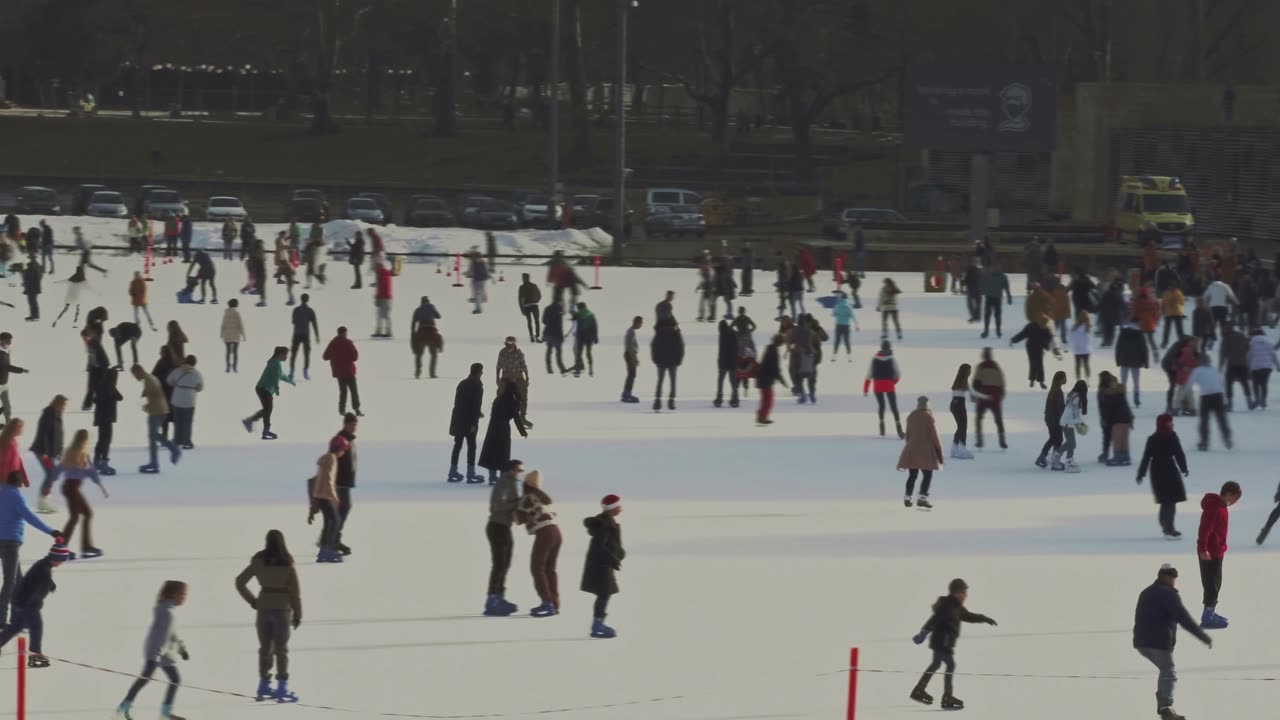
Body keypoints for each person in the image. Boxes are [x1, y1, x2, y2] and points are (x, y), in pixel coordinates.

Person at [1133, 564, 1212, 720]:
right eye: (1173, 578)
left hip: (1141, 642)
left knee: (1165, 671)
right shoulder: (1169, 595)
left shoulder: (1146, 592)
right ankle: (1166, 708)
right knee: (1169, 671)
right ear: (1167, 578)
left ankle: (1163, 702)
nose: (1174, 582)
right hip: (1158, 641)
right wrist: (1203, 636)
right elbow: (1184, 619)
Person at [235, 530, 303, 702]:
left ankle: (263, 685)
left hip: (263, 608)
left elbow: (240, 582)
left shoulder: (259, 562)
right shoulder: (287, 563)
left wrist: (253, 601)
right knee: (281, 649)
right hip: (282, 609)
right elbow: (295, 593)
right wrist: (298, 614)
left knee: (265, 647)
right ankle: (282, 688)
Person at [909, 578, 996, 710]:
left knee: (937, 664)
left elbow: (968, 616)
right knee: (949, 665)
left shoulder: (957, 607)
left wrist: (984, 618)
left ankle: (920, 690)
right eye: (964, 592)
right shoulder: (948, 605)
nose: (966, 595)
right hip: (942, 642)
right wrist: (924, 633)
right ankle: (946, 697)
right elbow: (935, 619)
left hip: (944, 643)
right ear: (956, 592)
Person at [113, 580, 189, 719]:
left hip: (163, 653)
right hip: (156, 653)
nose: (185, 598)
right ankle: (123, 709)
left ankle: (165, 713)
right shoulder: (166, 613)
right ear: (174, 594)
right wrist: (153, 658)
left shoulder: (168, 611)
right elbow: (158, 637)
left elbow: (172, 634)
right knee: (144, 680)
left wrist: (181, 649)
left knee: (174, 679)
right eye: (183, 594)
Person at [0, 539, 71, 668]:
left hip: (20, 601)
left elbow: (36, 579)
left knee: (16, 626)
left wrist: (50, 584)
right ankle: (35, 655)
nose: (62, 563)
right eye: (61, 560)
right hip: (27, 604)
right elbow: (32, 587)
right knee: (36, 627)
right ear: (55, 557)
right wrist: (32, 605)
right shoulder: (43, 569)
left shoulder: (44, 564)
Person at [49, 429, 107, 559]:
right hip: (70, 487)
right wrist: (50, 481)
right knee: (75, 517)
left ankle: (86, 546)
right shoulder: (72, 452)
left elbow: (91, 471)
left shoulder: (84, 453)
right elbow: (61, 467)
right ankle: (61, 549)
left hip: (74, 488)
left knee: (87, 514)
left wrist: (100, 485)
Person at [1135, 414, 1189, 537]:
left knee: (1171, 501)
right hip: (1159, 472)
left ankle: (1168, 526)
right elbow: (1146, 457)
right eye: (1169, 422)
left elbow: (1179, 454)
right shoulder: (1153, 439)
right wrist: (1141, 474)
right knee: (1167, 501)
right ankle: (1167, 527)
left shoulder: (1172, 437)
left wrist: (1183, 468)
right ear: (1163, 423)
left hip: (1170, 470)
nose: (1172, 424)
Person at [1197, 481, 1241, 630]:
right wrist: (1203, 549)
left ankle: (1210, 612)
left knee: (1215, 582)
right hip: (1210, 552)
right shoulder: (1215, 507)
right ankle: (1207, 616)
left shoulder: (1220, 507)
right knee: (1211, 583)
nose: (1235, 502)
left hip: (1216, 550)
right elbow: (1204, 529)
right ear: (1228, 494)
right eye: (1235, 498)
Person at [517, 470, 560, 617]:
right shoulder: (542, 497)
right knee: (550, 568)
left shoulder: (527, 497)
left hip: (544, 532)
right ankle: (554, 602)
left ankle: (547, 602)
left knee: (537, 567)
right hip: (556, 531)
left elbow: (518, 519)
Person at [581, 494, 625, 639]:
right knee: (604, 594)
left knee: (604, 594)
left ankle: (598, 624)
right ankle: (597, 626)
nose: (621, 508)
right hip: (600, 565)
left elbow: (611, 544)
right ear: (612, 508)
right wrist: (612, 559)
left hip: (602, 564)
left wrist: (619, 552)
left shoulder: (609, 522)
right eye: (618, 506)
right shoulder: (605, 524)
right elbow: (600, 546)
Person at [484, 459, 523, 616]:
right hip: (497, 526)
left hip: (504, 526)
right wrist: (515, 505)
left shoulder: (512, 483)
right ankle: (492, 600)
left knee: (505, 563)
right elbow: (496, 506)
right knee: (499, 564)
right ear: (510, 470)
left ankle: (499, 596)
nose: (519, 473)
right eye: (518, 469)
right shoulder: (503, 484)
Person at [133, 365, 182, 474]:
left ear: (139, 371)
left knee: (152, 436)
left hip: (157, 411)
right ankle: (159, 458)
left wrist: (148, 406)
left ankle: (158, 460)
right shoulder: (150, 378)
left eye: (135, 374)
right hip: (160, 409)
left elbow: (155, 395)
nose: (135, 377)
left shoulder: (149, 380)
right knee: (153, 435)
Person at [898, 396, 944, 509]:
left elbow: (908, 435)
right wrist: (940, 454)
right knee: (927, 475)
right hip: (926, 452)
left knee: (912, 475)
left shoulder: (911, 416)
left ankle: (907, 497)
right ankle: (922, 498)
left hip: (912, 450)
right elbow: (934, 437)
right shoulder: (928, 417)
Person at [242, 346, 295, 440]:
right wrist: (277, 388)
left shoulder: (275, 363)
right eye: (286, 355)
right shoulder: (276, 363)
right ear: (280, 354)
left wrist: (290, 381)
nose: (287, 357)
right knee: (268, 409)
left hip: (263, 388)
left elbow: (280, 375)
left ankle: (262, 429)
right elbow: (275, 378)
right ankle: (252, 423)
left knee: (267, 409)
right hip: (264, 389)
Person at [479, 383, 527, 484]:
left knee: (492, 452)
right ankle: (502, 477)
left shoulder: (498, 399)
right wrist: (523, 432)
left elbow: (493, 414)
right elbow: (516, 419)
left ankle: (492, 477)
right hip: (503, 429)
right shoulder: (513, 402)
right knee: (503, 453)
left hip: (492, 428)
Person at [449, 363, 486, 483]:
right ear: (479, 372)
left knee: (457, 446)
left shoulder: (462, 384)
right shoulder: (477, 386)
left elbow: (458, 404)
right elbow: (475, 406)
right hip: (469, 422)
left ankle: (452, 472)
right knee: (472, 447)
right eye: (481, 371)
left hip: (459, 420)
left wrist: (454, 421)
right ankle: (471, 474)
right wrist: (474, 424)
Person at [328, 414, 359, 556]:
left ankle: (332, 539)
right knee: (339, 511)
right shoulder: (340, 439)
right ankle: (330, 541)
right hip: (338, 482)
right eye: (351, 424)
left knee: (342, 510)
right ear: (345, 424)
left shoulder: (350, 440)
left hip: (345, 482)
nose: (354, 427)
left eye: (355, 425)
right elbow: (332, 459)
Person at [31, 395, 66, 514]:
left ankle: (45, 498)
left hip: (51, 452)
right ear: (57, 404)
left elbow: (59, 434)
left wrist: (59, 452)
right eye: (63, 405)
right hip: (42, 451)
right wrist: (45, 452)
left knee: (52, 474)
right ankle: (43, 500)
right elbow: (43, 433)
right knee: (51, 473)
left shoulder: (57, 415)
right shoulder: (48, 414)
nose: (64, 408)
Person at [863, 340, 903, 438]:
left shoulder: (874, 359)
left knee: (881, 406)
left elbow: (869, 374)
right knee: (894, 407)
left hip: (877, 386)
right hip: (889, 385)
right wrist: (893, 382)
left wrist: (866, 388)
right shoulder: (892, 359)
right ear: (889, 348)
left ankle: (882, 427)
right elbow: (898, 374)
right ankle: (899, 429)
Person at [1188, 357, 1230, 450]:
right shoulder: (1215, 370)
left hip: (1206, 396)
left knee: (1204, 420)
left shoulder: (1197, 370)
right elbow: (1222, 382)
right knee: (1221, 418)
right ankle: (1227, 438)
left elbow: (1190, 384)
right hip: (1218, 395)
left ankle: (1204, 442)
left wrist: (1186, 396)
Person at [310, 450, 343, 563]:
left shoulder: (325, 458)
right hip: (325, 494)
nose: (343, 453)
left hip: (320, 494)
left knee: (329, 522)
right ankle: (327, 551)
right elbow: (329, 479)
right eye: (343, 450)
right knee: (335, 521)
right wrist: (335, 497)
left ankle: (323, 552)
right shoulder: (332, 458)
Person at [971, 348, 1007, 450]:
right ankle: (1002, 441)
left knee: (979, 418)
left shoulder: (980, 367)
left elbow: (976, 382)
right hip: (995, 396)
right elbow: (1002, 381)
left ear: (983, 355)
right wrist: (1001, 394)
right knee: (998, 419)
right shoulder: (996, 366)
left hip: (984, 395)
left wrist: (974, 395)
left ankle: (979, 441)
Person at [322, 327, 362, 417]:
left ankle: (341, 410)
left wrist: (335, 355)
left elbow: (325, 356)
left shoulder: (333, 343)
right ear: (344, 333)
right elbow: (355, 357)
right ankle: (357, 409)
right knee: (354, 391)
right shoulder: (348, 343)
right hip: (349, 371)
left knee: (343, 392)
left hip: (339, 372)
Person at [1097, 371, 1135, 466]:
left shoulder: (1108, 394)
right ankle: (1125, 456)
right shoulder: (1120, 392)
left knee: (1117, 439)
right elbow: (1126, 406)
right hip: (1125, 418)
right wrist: (1130, 418)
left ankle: (1117, 457)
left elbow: (1108, 409)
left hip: (1117, 420)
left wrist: (1105, 419)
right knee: (1124, 439)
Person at [166, 356, 203, 450]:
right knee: (187, 422)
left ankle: (177, 440)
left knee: (177, 422)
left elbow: (169, 381)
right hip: (190, 400)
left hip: (177, 398)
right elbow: (200, 387)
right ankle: (186, 441)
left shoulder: (177, 371)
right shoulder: (197, 373)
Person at [1034, 372, 1067, 470]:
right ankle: (1053, 461)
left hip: (1050, 418)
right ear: (1060, 379)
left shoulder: (1054, 390)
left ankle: (1044, 458)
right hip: (1055, 419)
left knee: (1054, 438)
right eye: (1065, 378)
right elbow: (1059, 408)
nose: (1066, 380)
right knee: (1057, 439)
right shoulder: (1058, 391)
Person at [496, 337, 533, 427]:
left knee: (523, 397)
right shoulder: (502, 353)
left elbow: (524, 365)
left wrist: (527, 377)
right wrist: (497, 378)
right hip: (506, 377)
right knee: (501, 396)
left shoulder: (519, 353)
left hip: (518, 377)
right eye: (507, 344)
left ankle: (522, 417)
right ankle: (500, 417)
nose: (508, 346)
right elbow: (499, 366)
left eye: (510, 345)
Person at [1010, 315, 1055, 388]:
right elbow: (1022, 334)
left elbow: (1049, 338)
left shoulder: (1044, 327)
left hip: (1038, 347)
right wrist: (1013, 340)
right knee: (1034, 362)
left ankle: (1038, 381)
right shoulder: (1032, 326)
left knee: (1038, 363)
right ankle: (1034, 380)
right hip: (1031, 347)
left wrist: (1047, 346)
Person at [651, 319, 685, 411]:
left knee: (660, 381)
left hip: (661, 361)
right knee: (673, 381)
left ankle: (657, 401)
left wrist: (655, 359)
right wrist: (679, 359)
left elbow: (654, 346)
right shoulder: (676, 333)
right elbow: (681, 346)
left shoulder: (659, 333)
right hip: (673, 361)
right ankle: (671, 401)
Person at [93, 368, 122, 475]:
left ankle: (97, 461)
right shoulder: (109, 387)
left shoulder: (102, 385)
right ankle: (103, 462)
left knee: (101, 439)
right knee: (106, 440)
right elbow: (119, 397)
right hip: (107, 417)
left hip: (101, 417)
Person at [1116, 321, 1150, 408]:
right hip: (1136, 361)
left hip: (1124, 360)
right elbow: (1144, 348)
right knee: (1136, 381)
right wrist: (1145, 362)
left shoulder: (1123, 332)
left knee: (1123, 381)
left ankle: (1122, 398)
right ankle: (1136, 399)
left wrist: (1118, 360)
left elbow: (1118, 347)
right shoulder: (1139, 334)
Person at [948, 364, 980, 459]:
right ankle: (962, 449)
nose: (970, 372)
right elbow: (973, 393)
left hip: (954, 404)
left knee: (960, 427)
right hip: (959, 405)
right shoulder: (964, 382)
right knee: (963, 426)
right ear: (966, 371)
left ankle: (954, 448)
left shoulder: (957, 380)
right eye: (969, 370)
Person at [1217, 323, 1251, 411]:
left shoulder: (1226, 338)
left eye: (1223, 329)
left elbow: (1223, 354)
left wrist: (1220, 366)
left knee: (1228, 384)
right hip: (1243, 364)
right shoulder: (1241, 335)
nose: (1222, 331)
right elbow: (1248, 346)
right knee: (1245, 383)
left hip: (1232, 365)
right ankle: (1249, 402)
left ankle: (1229, 404)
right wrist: (1243, 355)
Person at [1058, 379, 1088, 473]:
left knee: (1070, 443)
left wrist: (1078, 422)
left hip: (1066, 421)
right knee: (1072, 443)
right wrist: (1080, 422)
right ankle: (1069, 462)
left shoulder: (1072, 394)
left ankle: (1056, 455)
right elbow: (1074, 412)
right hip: (1068, 422)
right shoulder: (1077, 397)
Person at [288, 293, 320, 381]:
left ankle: (291, 372)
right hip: (306, 335)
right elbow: (314, 324)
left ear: (301, 299)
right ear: (308, 300)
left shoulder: (295, 310)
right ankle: (305, 372)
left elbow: (293, 321)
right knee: (306, 354)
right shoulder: (310, 311)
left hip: (296, 334)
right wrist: (317, 335)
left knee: (294, 354)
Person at [410, 296, 443, 379]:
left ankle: (418, 372)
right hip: (431, 334)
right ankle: (432, 373)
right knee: (434, 354)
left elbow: (413, 326)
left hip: (421, 334)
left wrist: (413, 338)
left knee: (418, 354)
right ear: (428, 302)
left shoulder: (417, 310)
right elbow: (439, 316)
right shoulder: (431, 307)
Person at [1246, 327, 1278, 409]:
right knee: (1264, 384)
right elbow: (1273, 355)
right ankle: (1263, 400)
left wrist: (1248, 366)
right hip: (1267, 367)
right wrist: (1278, 365)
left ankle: (1257, 399)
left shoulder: (1252, 342)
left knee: (1255, 384)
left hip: (1256, 366)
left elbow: (1250, 355)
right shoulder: (1268, 342)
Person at [51, 264, 90, 328]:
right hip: (76, 298)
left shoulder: (71, 279)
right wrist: (96, 292)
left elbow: (63, 281)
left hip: (68, 298)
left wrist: (56, 282)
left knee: (64, 310)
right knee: (77, 311)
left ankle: (56, 320)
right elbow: (89, 288)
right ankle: (74, 324)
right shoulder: (82, 280)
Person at [0, 333, 27, 425]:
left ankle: (8, 423)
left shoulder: (6, 352)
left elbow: (7, 367)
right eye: (8, 340)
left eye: (10, 341)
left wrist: (21, 370)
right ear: (2, 340)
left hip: (4, 384)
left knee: (7, 406)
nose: (10, 342)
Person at [979, 264, 1012, 338]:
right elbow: (1006, 287)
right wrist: (1009, 297)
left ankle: (987, 331)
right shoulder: (1002, 276)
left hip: (990, 297)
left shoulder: (988, 275)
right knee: (997, 315)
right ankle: (998, 331)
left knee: (987, 315)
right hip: (997, 297)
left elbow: (982, 285)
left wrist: (981, 292)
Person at [714, 320, 740, 408]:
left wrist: (720, 361)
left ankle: (719, 398)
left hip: (724, 362)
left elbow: (722, 350)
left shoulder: (723, 334)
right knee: (733, 381)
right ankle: (735, 398)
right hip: (732, 361)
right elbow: (737, 348)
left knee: (720, 380)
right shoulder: (733, 333)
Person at [569, 302, 598, 377]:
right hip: (589, 337)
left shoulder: (578, 313)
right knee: (588, 353)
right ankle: (591, 369)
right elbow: (595, 326)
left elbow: (573, 318)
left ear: (579, 307)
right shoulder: (591, 314)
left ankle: (578, 371)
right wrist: (595, 337)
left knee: (579, 353)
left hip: (581, 336)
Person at [542, 301, 568, 375]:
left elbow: (543, 321)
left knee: (549, 351)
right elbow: (559, 324)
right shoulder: (559, 310)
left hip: (548, 333)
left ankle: (549, 368)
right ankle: (562, 369)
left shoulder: (547, 308)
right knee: (558, 353)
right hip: (557, 335)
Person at [221, 298, 246, 373]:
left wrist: (221, 334)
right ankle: (234, 367)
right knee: (235, 353)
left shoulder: (226, 313)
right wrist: (243, 335)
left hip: (227, 335)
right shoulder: (237, 313)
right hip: (236, 336)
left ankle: (228, 367)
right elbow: (240, 325)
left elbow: (223, 324)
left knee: (228, 352)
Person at [831, 292, 858, 360]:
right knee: (847, 341)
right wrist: (856, 325)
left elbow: (833, 314)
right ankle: (849, 357)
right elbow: (853, 316)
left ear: (841, 298)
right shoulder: (849, 306)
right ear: (847, 298)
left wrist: (838, 314)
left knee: (837, 341)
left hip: (838, 325)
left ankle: (834, 356)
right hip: (846, 325)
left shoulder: (837, 305)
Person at [621, 316, 642, 404]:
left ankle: (626, 393)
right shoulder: (630, 332)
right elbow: (629, 347)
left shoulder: (631, 331)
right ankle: (627, 394)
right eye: (640, 323)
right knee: (632, 375)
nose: (641, 325)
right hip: (630, 355)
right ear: (636, 322)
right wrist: (634, 359)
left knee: (631, 374)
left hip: (630, 355)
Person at [517, 273, 542, 342]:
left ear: (524, 278)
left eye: (522, 278)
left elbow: (519, 299)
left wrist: (522, 309)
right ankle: (537, 336)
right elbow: (539, 295)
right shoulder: (534, 285)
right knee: (536, 321)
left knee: (529, 321)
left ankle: (531, 336)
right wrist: (536, 300)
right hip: (534, 305)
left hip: (526, 306)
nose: (522, 279)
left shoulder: (521, 287)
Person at [1161, 283, 1187, 348]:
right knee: (1170, 329)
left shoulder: (1175, 292)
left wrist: (1174, 302)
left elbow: (1182, 302)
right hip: (1172, 312)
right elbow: (1182, 302)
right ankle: (1165, 342)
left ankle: (1165, 342)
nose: (1172, 287)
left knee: (1176, 329)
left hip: (1175, 312)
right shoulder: (1177, 292)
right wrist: (1163, 311)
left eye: (1173, 286)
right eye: (1171, 286)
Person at [1069, 311, 1092, 380]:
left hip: (1077, 349)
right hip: (1086, 349)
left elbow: (1071, 337)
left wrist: (1069, 346)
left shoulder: (1075, 327)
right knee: (1086, 365)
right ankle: (1088, 379)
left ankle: (1078, 379)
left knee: (1078, 365)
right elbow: (1090, 339)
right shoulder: (1088, 327)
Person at [373, 261, 394, 337]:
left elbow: (381, 288)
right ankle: (385, 331)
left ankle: (385, 332)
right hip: (386, 297)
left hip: (384, 298)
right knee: (383, 315)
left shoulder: (381, 274)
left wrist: (377, 298)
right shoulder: (385, 273)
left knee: (383, 315)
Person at [21, 255, 42, 321]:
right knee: (33, 301)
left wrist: (26, 283)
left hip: (31, 287)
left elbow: (30, 277)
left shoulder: (31, 266)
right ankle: (36, 315)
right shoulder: (38, 265)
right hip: (36, 286)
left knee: (32, 301)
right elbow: (40, 276)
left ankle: (34, 315)